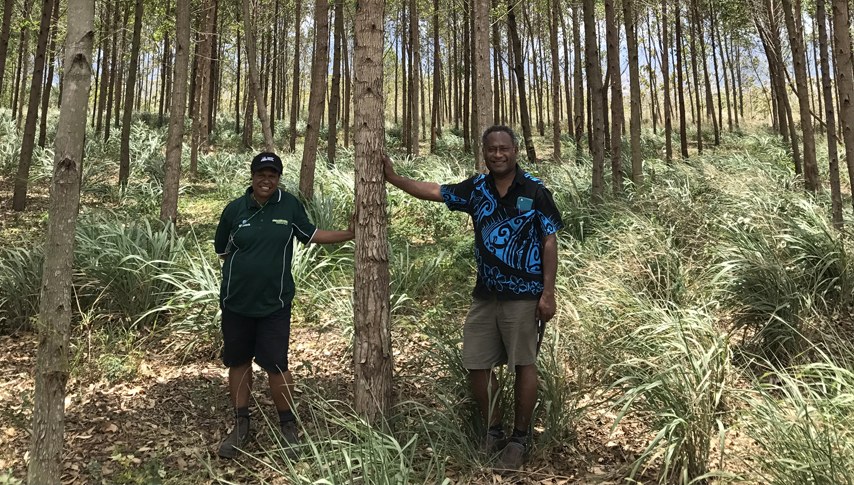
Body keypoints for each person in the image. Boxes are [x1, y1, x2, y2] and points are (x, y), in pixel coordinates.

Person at [383, 125, 562, 471]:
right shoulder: (477, 189)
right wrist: (394, 179)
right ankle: (493, 432)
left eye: (504, 149)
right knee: (477, 363)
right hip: (485, 295)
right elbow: (435, 190)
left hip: (524, 296)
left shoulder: (535, 191)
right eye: (491, 149)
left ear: (514, 151)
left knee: (524, 364)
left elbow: (549, 241)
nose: (498, 154)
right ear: (484, 153)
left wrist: (548, 293)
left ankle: (519, 439)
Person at [213, 152, 355, 459]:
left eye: (273, 175)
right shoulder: (234, 209)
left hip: (274, 304)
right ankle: (241, 424)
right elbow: (222, 250)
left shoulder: (288, 205)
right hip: (236, 303)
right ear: (252, 177)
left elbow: (311, 234)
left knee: (276, 365)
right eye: (261, 174)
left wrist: (349, 233)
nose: (267, 180)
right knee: (238, 362)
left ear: (278, 178)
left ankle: (288, 426)